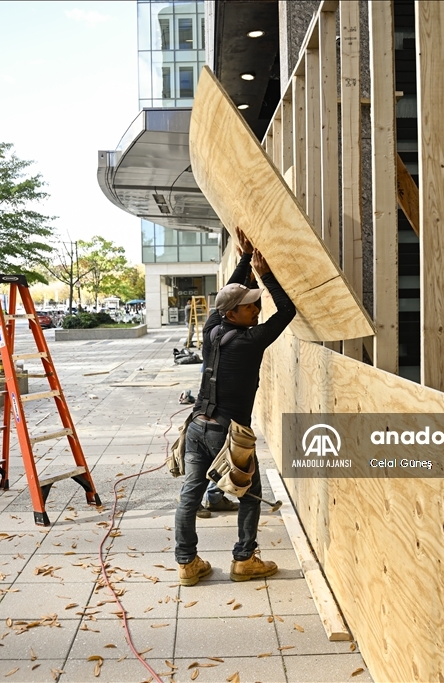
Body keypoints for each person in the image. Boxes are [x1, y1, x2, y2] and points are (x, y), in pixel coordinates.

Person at [175, 228, 296, 586]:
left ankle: (187, 564)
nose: (257, 310)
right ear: (234, 313)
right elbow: (287, 310)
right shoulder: (250, 341)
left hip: (197, 426)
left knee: (190, 495)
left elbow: (227, 294)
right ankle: (244, 560)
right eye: (250, 306)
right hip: (228, 435)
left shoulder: (213, 328)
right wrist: (267, 274)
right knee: (251, 495)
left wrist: (245, 260)